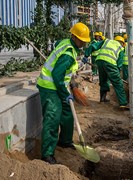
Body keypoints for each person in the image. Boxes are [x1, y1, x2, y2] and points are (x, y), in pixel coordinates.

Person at [36, 22, 91, 164]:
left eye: (84, 41)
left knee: (67, 111)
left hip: (58, 85)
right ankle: (47, 154)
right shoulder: (68, 54)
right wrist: (64, 93)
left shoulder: (68, 44)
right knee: (53, 117)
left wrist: (71, 83)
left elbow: (58, 46)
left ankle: (65, 141)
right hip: (49, 87)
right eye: (81, 40)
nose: (83, 44)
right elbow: (56, 75)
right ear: (73, 36)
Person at [83, 36, 129, 109]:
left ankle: (102, 99)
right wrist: (117, 73)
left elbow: (93, 46)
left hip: (99, 61)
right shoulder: (121, 48)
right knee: (118, 83)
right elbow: (119, 64)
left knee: (103, 80)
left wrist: (86, 55)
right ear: (122, 43)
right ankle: (123, 103)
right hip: (110, 63)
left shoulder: (107, 41)